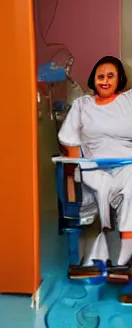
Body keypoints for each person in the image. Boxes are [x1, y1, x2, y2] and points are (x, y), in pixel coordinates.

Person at [59, 55, 132, 273]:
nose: (105, 81)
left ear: (119, 80)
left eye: (111, 76)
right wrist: (74, 170)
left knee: (131, 186)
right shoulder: (83, 105)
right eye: (100, 76)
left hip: (126, 163)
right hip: (93, 166)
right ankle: (107, 247)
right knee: (101, 185)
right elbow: (70, 141)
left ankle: (124, 255)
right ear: (94, 79)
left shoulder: (128, 101)